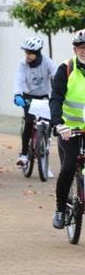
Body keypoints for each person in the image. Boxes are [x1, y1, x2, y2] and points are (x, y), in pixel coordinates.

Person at [48, 29, 85, 230]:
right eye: (81, 47)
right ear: (75, 49)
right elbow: (56, 98)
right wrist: (57, 123)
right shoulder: (66, 68)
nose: (84, 51)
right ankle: (61, 209)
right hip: (69, 130)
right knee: (69, 167)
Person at [15, 37, 57, 168]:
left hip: (44, 96)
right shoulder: (22, 64)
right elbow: (19, 80)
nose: (27, 55)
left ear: (37, 53)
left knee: (47, 124)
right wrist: (17, 94)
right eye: (26, 52)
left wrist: (58, 93)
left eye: (30, 53)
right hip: (28, 97)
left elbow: (57, 75)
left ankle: (45, 153)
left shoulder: (48, 62)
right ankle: (24, 156)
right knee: (29, 122)